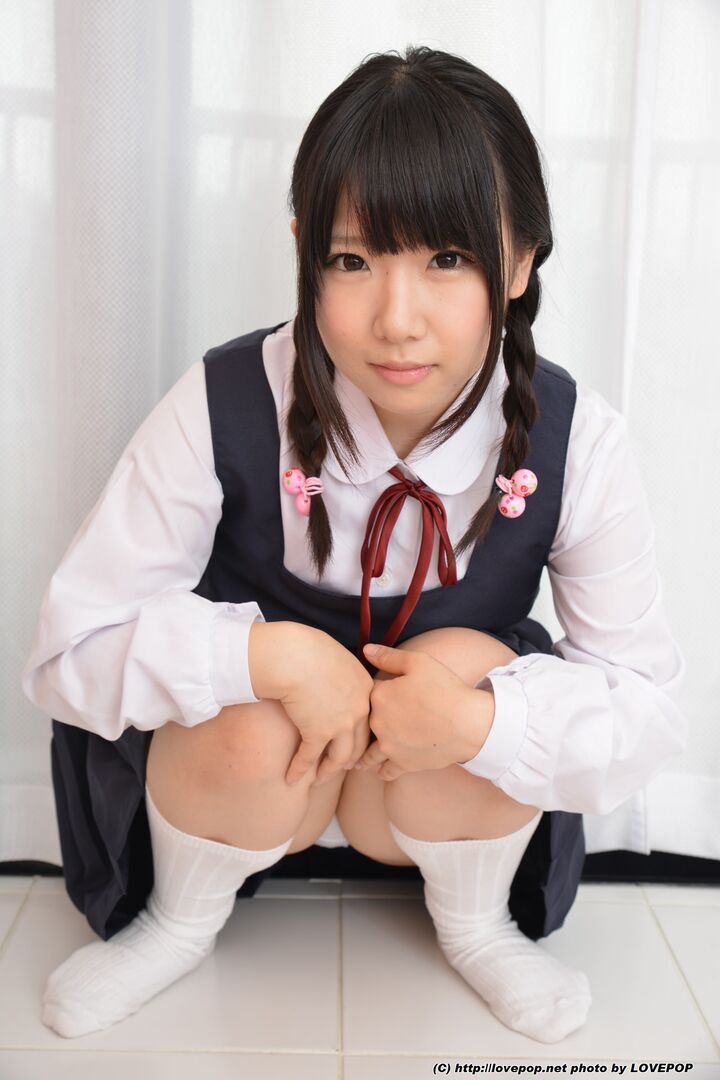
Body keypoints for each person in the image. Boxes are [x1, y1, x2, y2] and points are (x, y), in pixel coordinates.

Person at [21, 45, 687, 1044]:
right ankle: (178, 920)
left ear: (519, 262)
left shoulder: (575, 438)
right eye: (352, 260)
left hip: (419, 787)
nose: (396, 320)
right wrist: (269, 659)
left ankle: (475, 923)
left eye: (447, 259)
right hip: (254, 778)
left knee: (468, 668)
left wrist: (479, 726)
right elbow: (68, 653)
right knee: (248, 716)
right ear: (303, 252)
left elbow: (645, 708)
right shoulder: (225, 399)